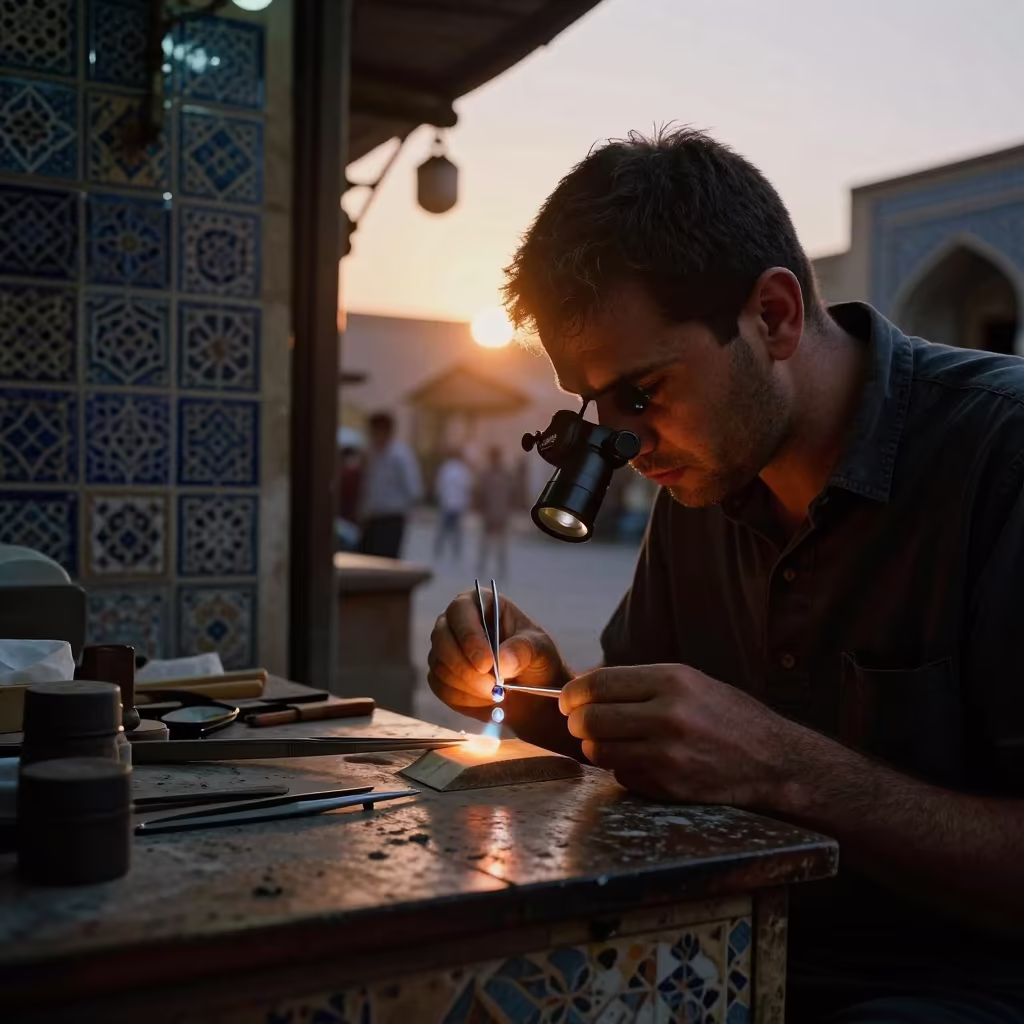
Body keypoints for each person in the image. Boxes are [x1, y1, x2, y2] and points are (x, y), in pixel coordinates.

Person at [425, 129, 1024, 1022]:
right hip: (719, 957)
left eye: (646, 392)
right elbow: (651, 759)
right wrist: (548, 694)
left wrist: (786, 771)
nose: (625, 445)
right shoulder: (704, 481)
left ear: (774, 316)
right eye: (596, 407)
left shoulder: (1000, 459)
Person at [358, 411, 422, 559]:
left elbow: (413, 489)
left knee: (385, 561)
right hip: (372, 518)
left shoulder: (400, 456)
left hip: (391, 519)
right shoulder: (372, 455)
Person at [475, 445, 514, 577]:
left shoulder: (490, 474)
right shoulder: (502, 474)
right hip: (497, 512)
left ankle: (492, 566)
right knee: (494, 542)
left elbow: (480, 494)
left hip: (495, 512)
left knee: (494, 542)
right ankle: (495, 567)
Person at [433, 448, 474, 562]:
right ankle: (455, 551)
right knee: (455, 530)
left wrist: (440, 498)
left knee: (443, 528)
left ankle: (439, 549)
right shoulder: (463, 470)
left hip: (447, 502)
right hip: (457, 504)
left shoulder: (446, 468)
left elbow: (440, 485)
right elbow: (467, 488)